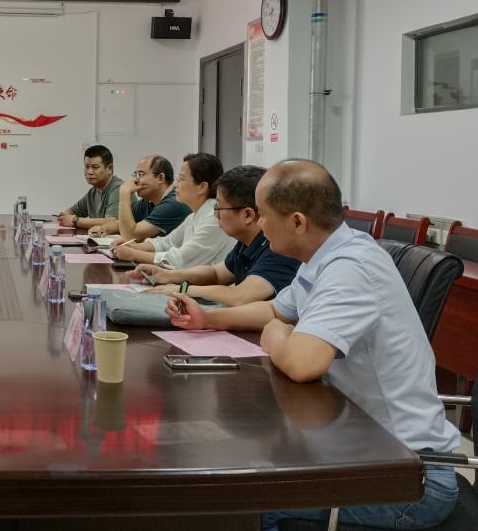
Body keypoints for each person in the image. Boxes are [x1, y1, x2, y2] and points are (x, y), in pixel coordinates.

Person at [164, 159, 460, 530]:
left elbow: (303, 363)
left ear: (297, 222)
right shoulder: (322, 256)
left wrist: (278, 335)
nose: (260, 224)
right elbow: (276, 310)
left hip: (406, 477)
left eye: (265, 215)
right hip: (361, 449)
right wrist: (208, 320)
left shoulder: (350, 268)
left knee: (239, 503)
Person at [136, 164, 300, 306]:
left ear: (247, 215)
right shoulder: (246, 242)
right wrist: (168, 275)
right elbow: (216, 274)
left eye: (219, 208)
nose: (215, 215)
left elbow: (240, 296)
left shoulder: (278, 248)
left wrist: (183, 289)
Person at [110, 153, 232, 268]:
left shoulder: (214, 218)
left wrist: (134, 254)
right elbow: (166, 243)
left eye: (181, 179)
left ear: (202, 187)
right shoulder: (194, 216)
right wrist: (133, 247)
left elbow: (180, 259)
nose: (176, 184)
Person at [87, 155, 189, 241]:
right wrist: (103, 228)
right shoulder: (149, 200)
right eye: (135, 175)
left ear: (160, 178)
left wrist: (124, 193)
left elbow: (130, 235)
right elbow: (123, 223)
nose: (136, 180)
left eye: (141, 175)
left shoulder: (173, 203)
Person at [57, 144, 122, 230]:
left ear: (110, 169)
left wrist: (75, 220)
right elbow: (71, 212)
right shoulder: (93, 191)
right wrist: (64, 216)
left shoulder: (119, 188)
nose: (89, 172)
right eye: (87, 167)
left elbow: (112, 222)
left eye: (95, 167)